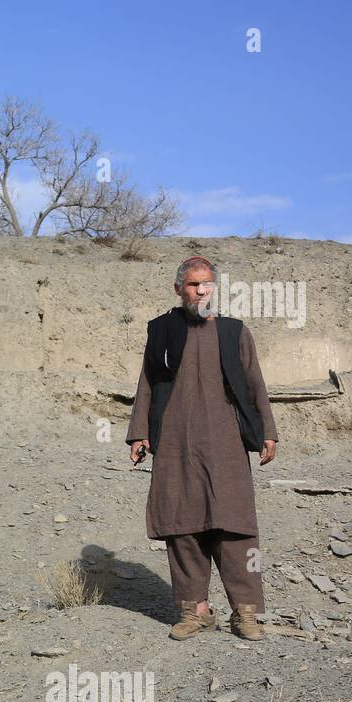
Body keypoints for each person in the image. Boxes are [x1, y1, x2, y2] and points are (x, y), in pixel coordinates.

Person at [126, 255, 279, 641]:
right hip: (175, 443)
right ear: (179, 289)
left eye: (208, 283)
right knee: (182, 526)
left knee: (235, 527)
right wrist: (140, 432)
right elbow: (147, 382)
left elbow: (255, 383)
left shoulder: (233, 332)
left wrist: (268, 431)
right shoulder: (161, 331)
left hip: (225, 444)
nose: (202, 290)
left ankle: (245, 613)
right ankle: (194, 612)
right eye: (194, 285)